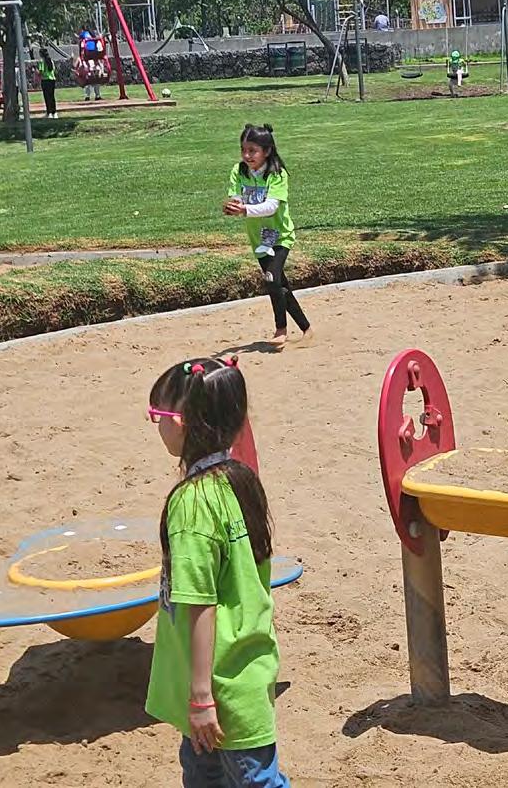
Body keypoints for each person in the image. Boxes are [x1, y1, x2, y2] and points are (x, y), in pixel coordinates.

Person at [143, 357, 289, 787]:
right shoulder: (240, 480)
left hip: (219, 688)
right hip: (248, 665)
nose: (157, 425)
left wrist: (202, 697)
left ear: (182, 422)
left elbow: (200, 601)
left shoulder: (191, 504)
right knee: (205, 775)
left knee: (254, 780)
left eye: (157, 415)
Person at [224, 124, 312, 349]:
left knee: (272, 278)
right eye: (243, 150)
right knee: (280, 285)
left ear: (267, 151)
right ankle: (306, 329)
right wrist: (233, 206)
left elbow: (271, 206)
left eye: (252, 151)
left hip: (280, 236)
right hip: (259, 239)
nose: (247, 155)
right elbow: (237, 197)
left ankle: (280, 329)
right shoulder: (239, 171)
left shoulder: (277, 173)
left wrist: (244, 210)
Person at [34, 47, 58, 118]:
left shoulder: (42, 61)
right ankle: (54, 112)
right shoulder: (51, 60)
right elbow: (53, 69)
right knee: (52, 96)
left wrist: (35, 70)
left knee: (47, 97)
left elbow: (40, 72)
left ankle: (49, 112)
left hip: (45, 80)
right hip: (52, 79)